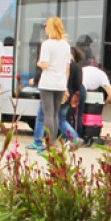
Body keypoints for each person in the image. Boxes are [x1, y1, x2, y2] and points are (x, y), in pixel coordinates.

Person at [33, 16, 71, 148]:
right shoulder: (66, 45)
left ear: (50, 28)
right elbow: (67, 68)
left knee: (47, 115)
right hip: (60, 84)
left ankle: (48, 143)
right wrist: (65, 85)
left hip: (47, 83)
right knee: (55, 115)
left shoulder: (47, 44)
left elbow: (44, 64)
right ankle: (53, 142)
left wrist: (38, 63)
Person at [57, 47, 85, 146]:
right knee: (64, 118)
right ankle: (68, 139)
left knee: (60, 119)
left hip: (61, 94)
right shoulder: (78, 67)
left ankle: (74, 137)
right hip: (70, 95)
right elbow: (78, 84)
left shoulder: (63, 65)